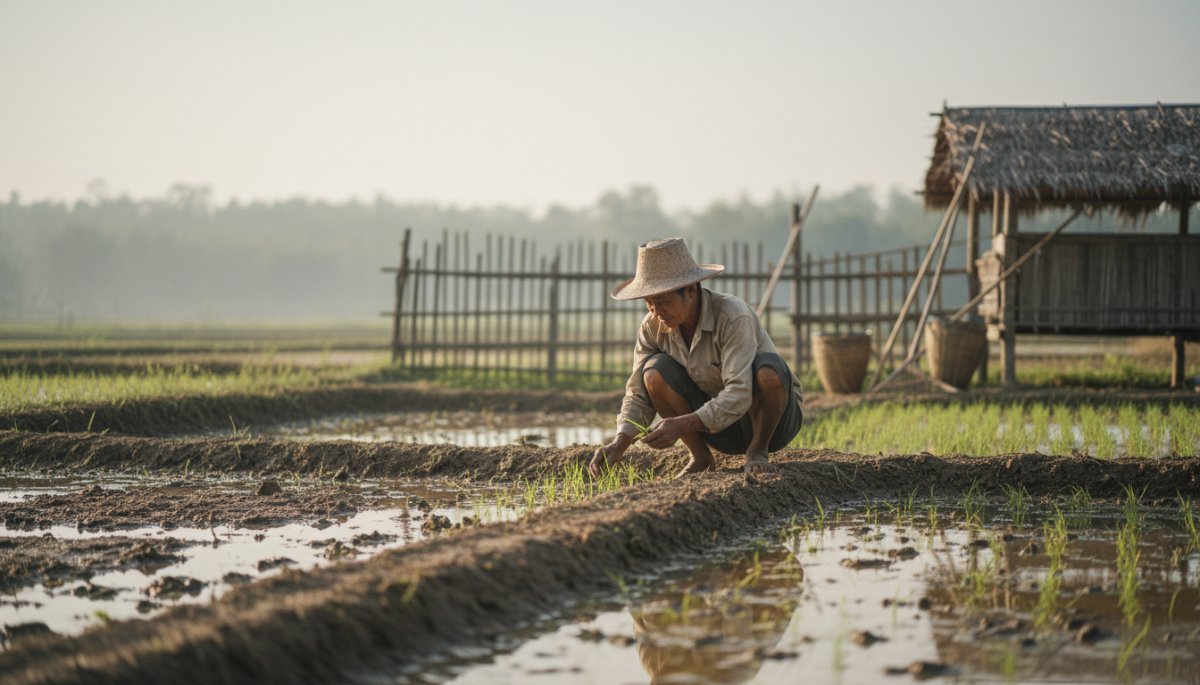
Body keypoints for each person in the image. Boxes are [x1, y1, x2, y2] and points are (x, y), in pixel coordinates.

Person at [589, 238, 803, 479]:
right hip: (720, 429)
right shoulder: (651, 327)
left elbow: (740, 392)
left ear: (690, 291)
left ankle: (757, 451)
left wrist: (681, 424)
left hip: (773, 422)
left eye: (663, 302)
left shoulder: (732, 316)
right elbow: (638, 393)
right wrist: (620, 442)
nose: (657, 313)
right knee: (652, 373)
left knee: (768, 371)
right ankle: (701, 456)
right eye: (649, 304)